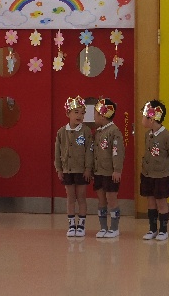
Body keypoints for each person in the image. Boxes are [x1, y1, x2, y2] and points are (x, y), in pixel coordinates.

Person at [54, 95, 94, 237]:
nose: (79, 116)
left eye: (82, 113)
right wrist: (59, 169)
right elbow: (57, 152)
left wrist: (88, 168)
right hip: (67, 170)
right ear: (68, 114)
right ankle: (71, 225)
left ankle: (81, 225)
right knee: (70, 197)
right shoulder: (61, 132)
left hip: (81, 170)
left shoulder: (86, 131)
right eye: (76, 112)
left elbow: (89, 151)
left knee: (81, 197)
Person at [140, 99, 169, 241]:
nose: (142, 119)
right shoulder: (147, 134)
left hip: (161, 175)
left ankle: (163, 230)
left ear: (152, 118)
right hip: (148, 174)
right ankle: (152, 229)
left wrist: (167, 169)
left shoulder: (167, 136)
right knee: (150, 202)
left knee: (161, 203)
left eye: (144, 116)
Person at [92, 97, 125, 238]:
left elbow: (117, 152)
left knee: (111, 198)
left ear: (103, 115)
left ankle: (114, 228)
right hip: (98, 171)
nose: (94, 116)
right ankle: (103, 227)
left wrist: (117, 170)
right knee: (101, 199)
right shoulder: (98, 132)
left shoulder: (114, 131)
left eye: (95, 113)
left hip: (110, 173)